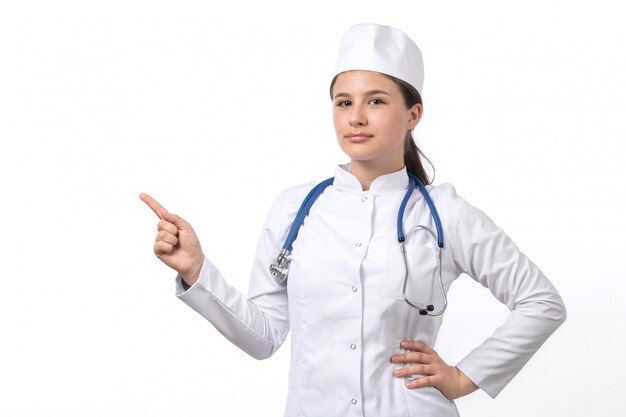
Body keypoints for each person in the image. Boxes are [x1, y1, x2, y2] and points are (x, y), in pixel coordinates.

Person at [140, 24, 566, 417]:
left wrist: (464, 376)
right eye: (344, 102)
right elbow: (264, 337)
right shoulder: (294, 209)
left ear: (413, 115)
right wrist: (197, 273)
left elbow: (541, 302)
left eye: (376, 101)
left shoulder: (445, 213)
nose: (355, 117)